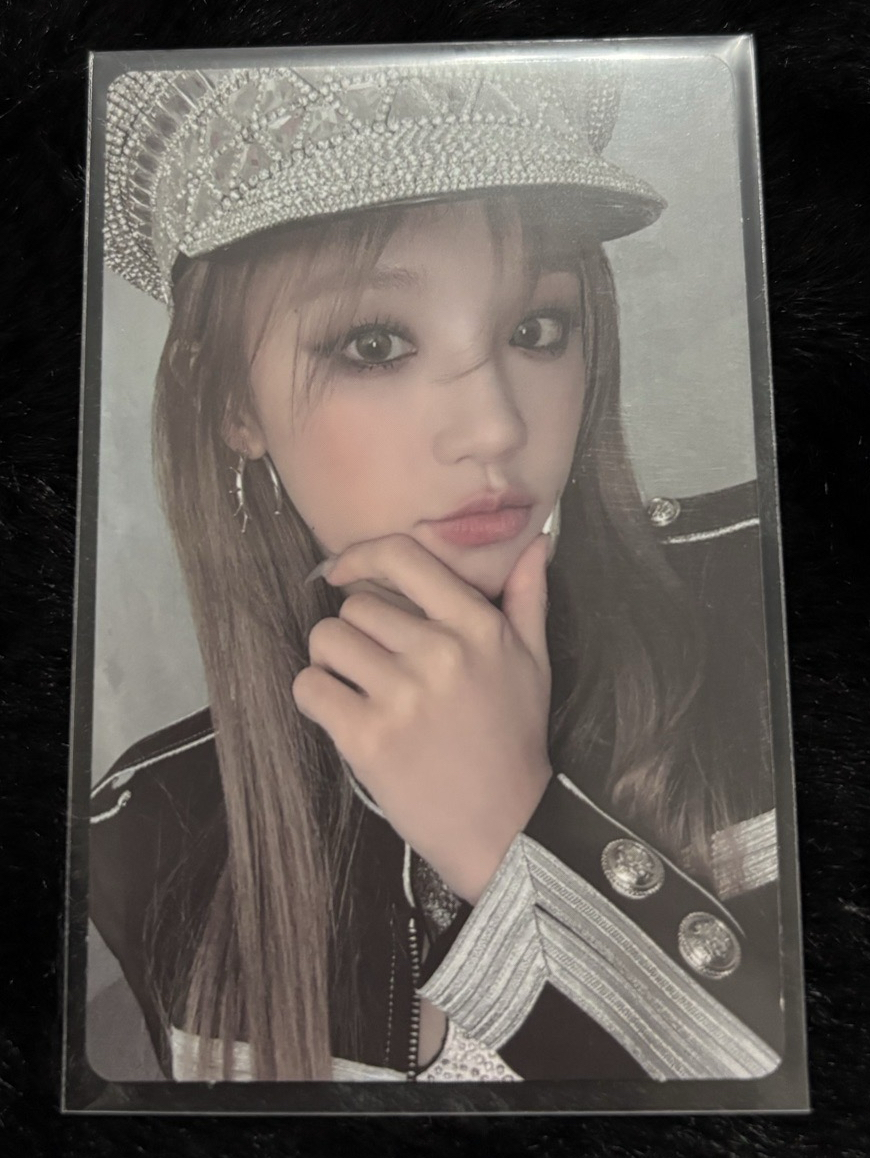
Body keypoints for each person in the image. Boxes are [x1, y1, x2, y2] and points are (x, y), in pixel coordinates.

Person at [89, 60, 784, 1084]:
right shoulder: (145, 832)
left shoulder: (767, 606)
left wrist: (513, 837)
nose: (497, 426)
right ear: (231, 402)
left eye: (536, 330)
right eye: (374, 343)